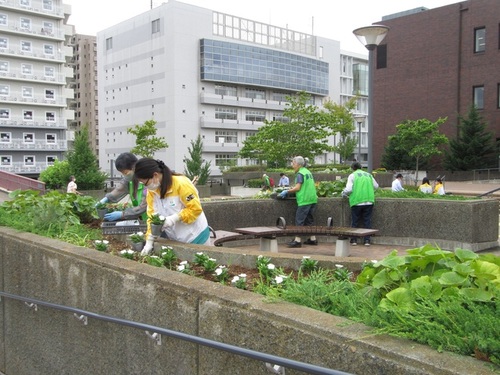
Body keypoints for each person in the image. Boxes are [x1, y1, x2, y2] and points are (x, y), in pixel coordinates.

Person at [133, 158, 211, 255]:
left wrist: (174, 218)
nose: (145, 186)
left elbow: (195, 209)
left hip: (196, 236)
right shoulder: (152, 191)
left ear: (155, 175)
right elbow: (152, 216)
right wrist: (149, 239)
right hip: (175, 238)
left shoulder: (181, 183)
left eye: (145, 183)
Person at [278, 156, 318, 248]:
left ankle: (297, 241)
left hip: (304, 200)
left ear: (299, 165)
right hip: (312, 199)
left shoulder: (300, 174)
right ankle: (313, 239)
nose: (292, 165)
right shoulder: (308, 172)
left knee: (299, 220)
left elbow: (298, 188)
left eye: (294, 163)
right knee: (309, 220)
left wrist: (286, 191)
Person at [96, 152, 147, 221]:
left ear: (134, 167)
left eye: (125, 173)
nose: (124, 175)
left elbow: (144, 206)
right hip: (143, 220)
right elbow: (120, 189)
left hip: (154, 220)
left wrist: (123, 214)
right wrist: (105, 199)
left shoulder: (148, 182)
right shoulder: (131, 180)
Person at [341, 162, 379, 246]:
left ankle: (354, 240)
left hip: (357, 201)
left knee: (355, 221)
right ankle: (367, 240)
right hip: (369, 200)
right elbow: (376, 186)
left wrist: (343, 193)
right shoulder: (368, 175)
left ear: (352, 168)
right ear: (361, 167)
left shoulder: (352, 175)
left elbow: (349, 189)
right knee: (367, 221)